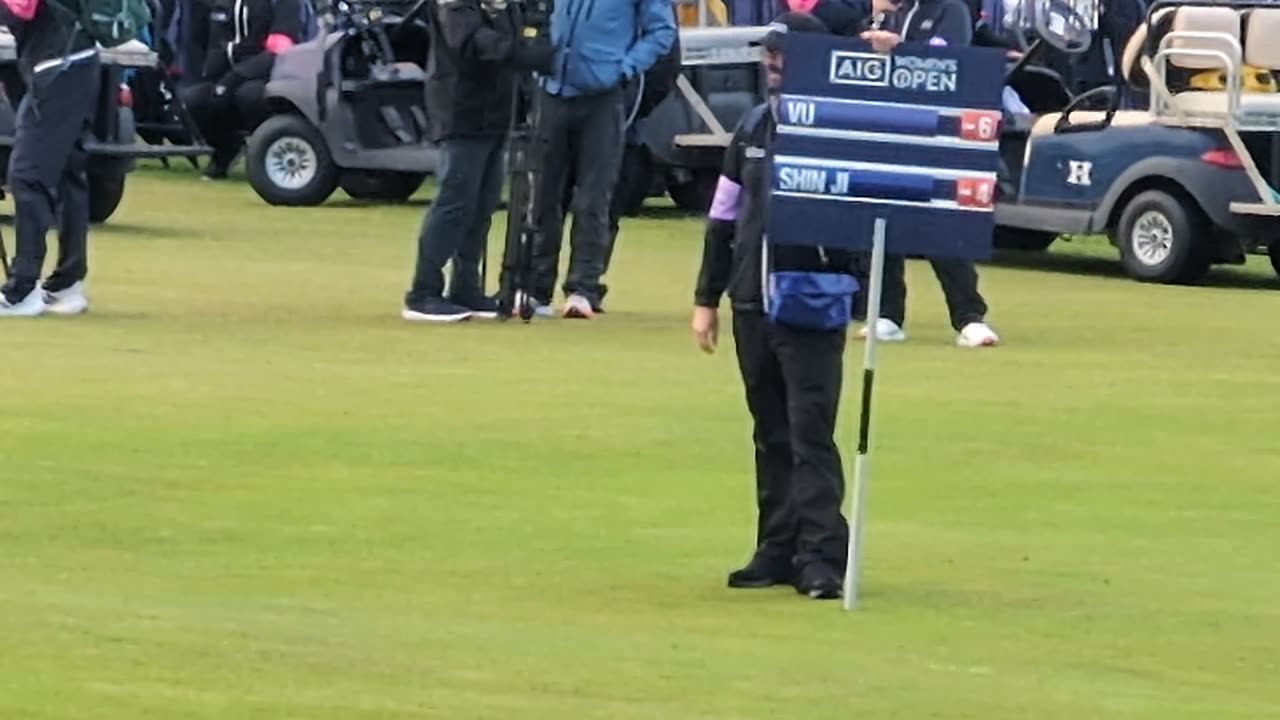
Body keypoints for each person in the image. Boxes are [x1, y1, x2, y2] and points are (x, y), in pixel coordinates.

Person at [692, 11, 857, 600]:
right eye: (769, 54)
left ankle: (821, 557)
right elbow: (723, 217)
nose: (772, 63)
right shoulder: (754, 128)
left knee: (811, 432)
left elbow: (865, 224)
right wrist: (706, 297)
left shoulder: (839, 128)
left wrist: (862, 294)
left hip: (813, 301)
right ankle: (776, 547)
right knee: (770, 432)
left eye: (782, 55)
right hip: (751, 302)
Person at [853, 0, 1002, 347]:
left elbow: (948, 60)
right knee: (882, 221)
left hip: (936, 132)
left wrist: (899, 47)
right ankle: (888, 314)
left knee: (941, 224)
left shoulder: (950, 10)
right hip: (889, 129)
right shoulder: (892, 13)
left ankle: (969, 317)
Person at [400, 0, 555, 322]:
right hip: (462, 111)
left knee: (482, 204)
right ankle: (423, 291)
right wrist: (522, 54)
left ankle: (465, 287)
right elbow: (469, 41)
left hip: (496, 112)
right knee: (454, 201)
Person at [524, 0, 676, 319]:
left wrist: (626, 67)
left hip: (602, 97)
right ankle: (536, 288)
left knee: (595, 196)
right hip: (553, 90)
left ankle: (583, 288)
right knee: (543, 193)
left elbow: (662, 31)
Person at [0, 0, 101, 317]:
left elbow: (22, 7)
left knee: (27, 174)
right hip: (73, 59)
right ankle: (66, 285)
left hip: (60, 63)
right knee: (67, 172)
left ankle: (23, 290)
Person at [179, 0, 311, 179]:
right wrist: (212, 75)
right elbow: (206, 41)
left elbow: (280, 50)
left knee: (249, 96)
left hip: (273, 76)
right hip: (228, 74)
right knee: (195, 100)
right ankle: (225, 150)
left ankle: (264, 155)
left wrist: (233, 78)